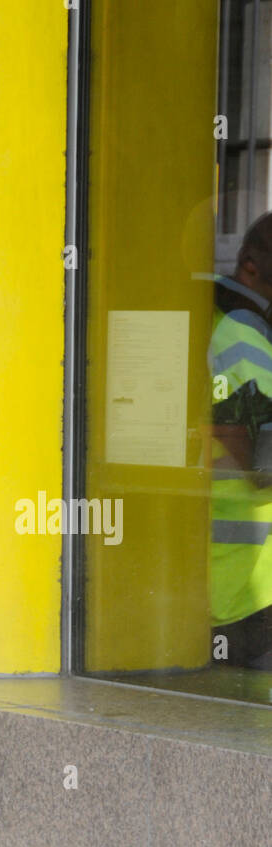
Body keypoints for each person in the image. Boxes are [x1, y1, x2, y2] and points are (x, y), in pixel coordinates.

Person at [209, 212, 272, 667]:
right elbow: (264, 462)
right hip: (250, 589)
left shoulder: (227, 325)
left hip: (237, 584)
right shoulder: (242, 336)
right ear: (249, 265)